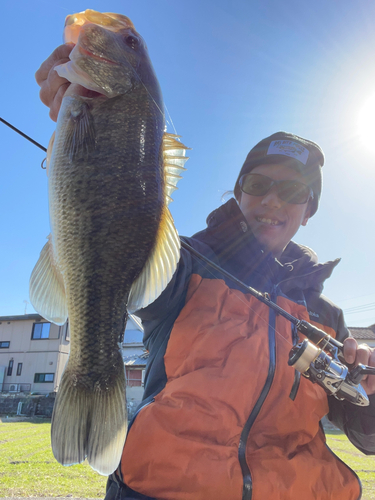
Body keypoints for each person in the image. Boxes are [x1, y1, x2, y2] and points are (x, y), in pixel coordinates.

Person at [36, 44, 375, 500]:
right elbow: (122, 245)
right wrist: (93, 134)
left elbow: (366, 437)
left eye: (293, 191)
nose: (273, 200)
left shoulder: (327, 315)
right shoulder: (184, 264)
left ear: (308, 211)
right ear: (239, 193)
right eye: (259, 185)